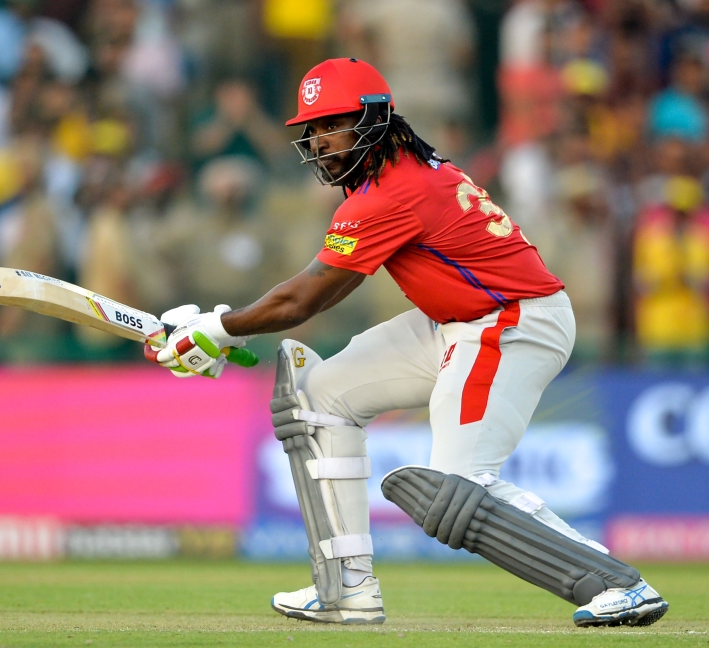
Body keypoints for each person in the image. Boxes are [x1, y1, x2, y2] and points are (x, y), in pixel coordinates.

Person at [146, 58, 669, 628]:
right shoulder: (401, 171)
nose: (320, 140)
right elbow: (305, 295)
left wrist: (218, 329)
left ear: (374, 119)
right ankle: (346, 589)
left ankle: (621, 584)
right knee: (319, 396)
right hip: (457, 318)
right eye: (313, 128)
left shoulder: (392, 192)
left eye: (332, 123)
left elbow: (305, 301)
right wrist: (220, 326)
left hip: (511, 321)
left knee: (457, 490)